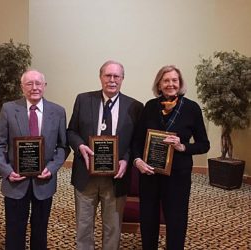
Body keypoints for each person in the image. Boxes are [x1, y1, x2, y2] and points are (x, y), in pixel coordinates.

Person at [67, 60, 143, 250]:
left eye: (116, 76)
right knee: (84, 227)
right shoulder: (83, 100)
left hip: (116, 177)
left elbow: (136, 142)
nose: (112, 80)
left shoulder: (135, 106)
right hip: (86, 174)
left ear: (122, 79)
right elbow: (71, 132)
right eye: (107, 75)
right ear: (100, 77)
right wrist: (80, 146)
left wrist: (126, 160)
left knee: (113, 228)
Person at [132, 65, 210, 250]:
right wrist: (138, 161)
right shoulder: (150, 106)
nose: (170, 84)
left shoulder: (191, 108)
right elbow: (136, 141)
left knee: (176, 219)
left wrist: (182, 146)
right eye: (166, 80)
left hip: (178, 175)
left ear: (180, 83)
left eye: (174, 80)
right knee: (148, 218)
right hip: (149, 173)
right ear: (159, 84)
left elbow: (204, 144)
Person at [0, 69, 69, 250]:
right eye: (29, 83)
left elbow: (63, 146)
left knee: (40, 232)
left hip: (44, 182)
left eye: (38, 83)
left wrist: (53, 167)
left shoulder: (58, 111)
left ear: (45, 86)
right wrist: (8, 172)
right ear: (22, 87)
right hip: (16, 182)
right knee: (15, 232)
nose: (34, 88)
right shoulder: (9, 109)